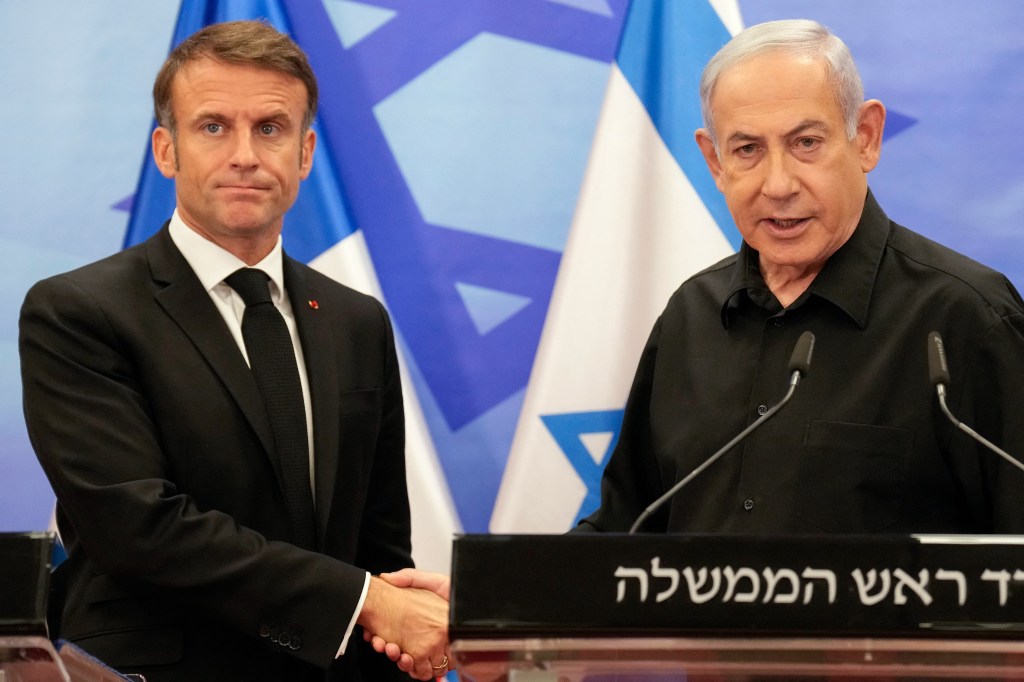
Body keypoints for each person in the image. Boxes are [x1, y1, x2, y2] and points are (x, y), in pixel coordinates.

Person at [19, 20, 448, 682]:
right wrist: (369, 604)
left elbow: (379, 544)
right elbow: (139, 530)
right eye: (213, 126)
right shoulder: (80, 312)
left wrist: (403, 627)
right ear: (167, 151)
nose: (245, 154)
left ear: (305, 154)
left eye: (270, 129)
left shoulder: (355, 322)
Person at [577, 19, 1024, 534]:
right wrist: (488, 599)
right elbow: (621, 536)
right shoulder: (689, 316)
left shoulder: (968, 319)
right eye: (747, 150)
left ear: (866, 138)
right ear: (715, 162)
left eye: (806, 142)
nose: (778, 184)